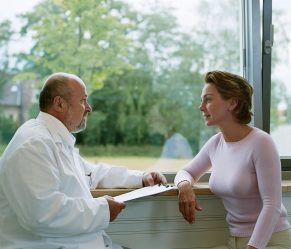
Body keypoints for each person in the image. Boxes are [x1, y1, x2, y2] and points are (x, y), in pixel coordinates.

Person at [0, 72, 167, 249]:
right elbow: (42, 214)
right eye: (83, 100)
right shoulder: (34, 144)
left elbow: (92, 172)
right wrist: (102, 210)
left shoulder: (55, 140)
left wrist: (141, 178)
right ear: (59, 104)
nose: (89, 108)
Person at [174, 71, 291, 249]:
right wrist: (184, 186)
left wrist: (253, 247)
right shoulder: (215, 143)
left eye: (208, 100)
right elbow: (187, 172)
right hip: (234, 241)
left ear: (232, 103)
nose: (201, 107)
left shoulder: (261, 142)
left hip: (270, 242)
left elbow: (272, 205)